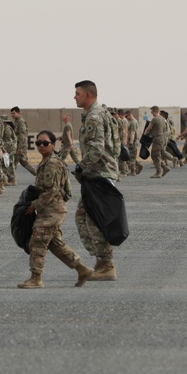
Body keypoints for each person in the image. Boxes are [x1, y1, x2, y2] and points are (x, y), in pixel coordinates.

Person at [18, 131, 94, 288]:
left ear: (53, 145)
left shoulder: (52, 163)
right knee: (55, 244)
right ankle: (83, 269)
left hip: (52, 210)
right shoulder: (46, 161)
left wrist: (34, 205)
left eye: (45, 143)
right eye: (38, 143)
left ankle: (36, 279)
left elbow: (52, 191)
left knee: (37, 242)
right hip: (49, 209)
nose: (41, 146)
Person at [73, 80, 120, 281]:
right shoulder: (103, 113)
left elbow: (97, 149)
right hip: (102, 173)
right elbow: (116, 146)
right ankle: (102, 262)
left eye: (77, 93)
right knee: (82, 217)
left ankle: (106, 265)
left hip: (99, 175)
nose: (74, 96)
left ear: (88, 95)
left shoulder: (94, 116)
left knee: (93, 221)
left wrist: (80, 168)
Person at [143, 105, 170, 178]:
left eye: (152, 111)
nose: (151, 113)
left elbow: (149, 128)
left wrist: (145, 134)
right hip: (162, 139)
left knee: (155, 155)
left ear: (155, 111)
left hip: (157, 139)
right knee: (156, 155)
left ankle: (158, 172)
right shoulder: (163, 119)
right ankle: (164, 167)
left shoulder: (155, 119)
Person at [9, 107, 37, 176]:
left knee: (14, 161)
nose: (12, 115)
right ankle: (38, 174)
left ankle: (10, 177)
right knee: (23, 161)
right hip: (18, 144)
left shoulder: (21, 122)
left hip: (20, 145)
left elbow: (22, 135)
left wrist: (20, 147)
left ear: (18, 113)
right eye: (11, 113)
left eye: (14, 113)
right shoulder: (16, 121)